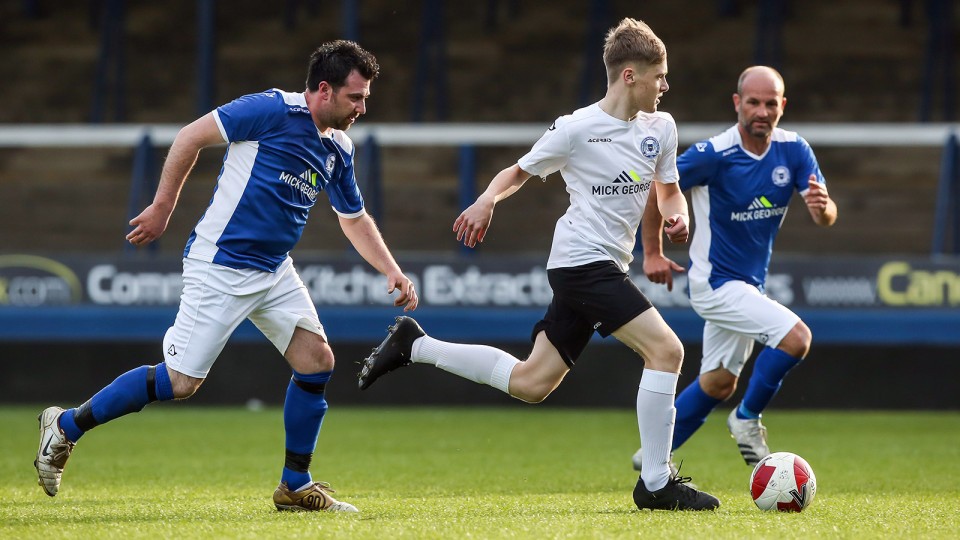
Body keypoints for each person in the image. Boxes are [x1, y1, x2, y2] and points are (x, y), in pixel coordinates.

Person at [34, 40, 418, 513]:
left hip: (274, 271)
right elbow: (189, 137)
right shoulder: (269, 109)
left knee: (317, 360)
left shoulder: (339, 147)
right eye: (355, 97)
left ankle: (295, 484)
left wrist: (392, 270)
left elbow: (353, 217)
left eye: (364, 98)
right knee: (180, 382)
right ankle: (65, 426)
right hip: (221, 265)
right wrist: (161, 209)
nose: (362, 107)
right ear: (324, 90)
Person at [358, 18, 719, 511]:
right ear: (630, 75)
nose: (666, 85)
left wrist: (676, 219)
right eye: (660, 76)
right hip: (580, 264)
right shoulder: (575, 129)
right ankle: (656, 482)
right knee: (667, 351)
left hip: (605, 266)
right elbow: (518, 171)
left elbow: (670, 190)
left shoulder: (663, 128)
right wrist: (487, 200)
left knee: (532, 383)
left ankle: (415, 345)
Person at [632, 65, 837, 472]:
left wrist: (822, 209)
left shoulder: (794, 150)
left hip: (748, 286)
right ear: (737, 103)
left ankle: (653, 453)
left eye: (770, 103)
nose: (762, 111)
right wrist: (651, 253)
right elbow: (656, 186)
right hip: (714, 283)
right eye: (754, 102)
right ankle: (746, 420)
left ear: (782, 105)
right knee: (796, 338)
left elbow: (827, 215)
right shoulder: (715, 154)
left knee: (718, 382)